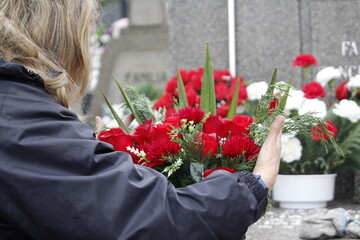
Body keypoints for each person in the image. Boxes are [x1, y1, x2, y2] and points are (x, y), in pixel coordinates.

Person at [0, 1, 285, 239]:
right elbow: (150, 221)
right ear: (58, 36)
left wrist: (90, 160)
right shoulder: (18, 114)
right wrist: (251, 188)